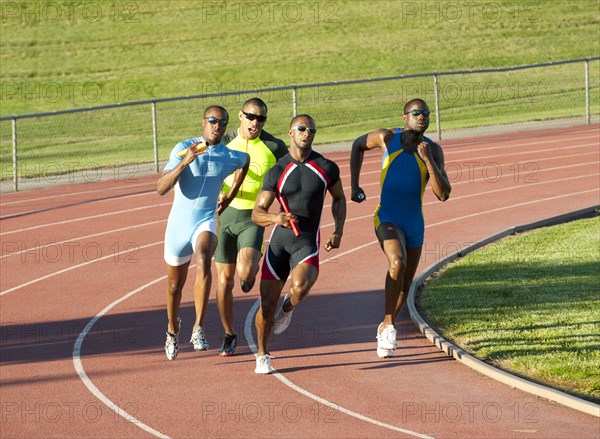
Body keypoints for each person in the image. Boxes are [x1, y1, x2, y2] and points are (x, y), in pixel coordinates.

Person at [350, 98, 451, 358]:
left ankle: (384, 326)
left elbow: (443, 195)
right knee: (397, 262)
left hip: (414, 222)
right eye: (416, 113)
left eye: (426, 113)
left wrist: (428, 160)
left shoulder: (433, 149)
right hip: (387, 216)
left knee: (405, 285)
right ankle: (390, 325)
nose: (422, 117)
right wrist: (354, 185)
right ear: (404, 117)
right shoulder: (387, 138)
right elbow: (357, 146)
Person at [251, 114, 346, 374]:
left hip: (306, 241)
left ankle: (289, 307)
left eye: (312, 130)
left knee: (300, 287)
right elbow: (257, 213)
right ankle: (262, 354)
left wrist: (338, 231)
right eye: (302, 129)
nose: (307, 133)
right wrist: (275, 217)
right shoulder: (278, 170)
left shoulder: (326, 167)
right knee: (266, 305)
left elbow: (339, 198)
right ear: (291, 133)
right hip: (279, 244)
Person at [157, 105, 250, 361]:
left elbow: (245, 162)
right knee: (174, 286)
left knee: (205, 259)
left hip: (205, 220)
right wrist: (185, 162)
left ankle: (198, 327)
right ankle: (172, 330)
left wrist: (230, 196)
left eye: (222, 122)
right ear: (203, 122)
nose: (217, 126)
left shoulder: (230, 156)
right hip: (178, 226)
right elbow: (161, 188)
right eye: (212, 121)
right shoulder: (183, 147)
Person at [214, 98, 288, 357]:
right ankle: (229, 334)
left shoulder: (274, 146)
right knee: (223, 282)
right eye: (250, 116)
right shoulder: (225, 142)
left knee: (245, 275)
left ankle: (248, 277)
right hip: (224, 216)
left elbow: (289, 174)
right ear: (240, 116)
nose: (255, 122)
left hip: (252, 217)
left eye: (260, 118)